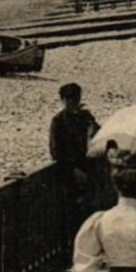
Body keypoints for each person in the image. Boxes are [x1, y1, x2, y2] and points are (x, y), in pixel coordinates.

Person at [50, 82, 101, 215]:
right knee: (70, 212)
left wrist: (93, 127)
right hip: (67, 173)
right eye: (68, 99)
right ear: (63, 100)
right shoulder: (58, 121)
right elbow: (56, 151)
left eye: (75, 99)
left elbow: (99, 135)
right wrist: (73, 170)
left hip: (85, 167)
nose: (72, 102)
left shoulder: (85, 117)